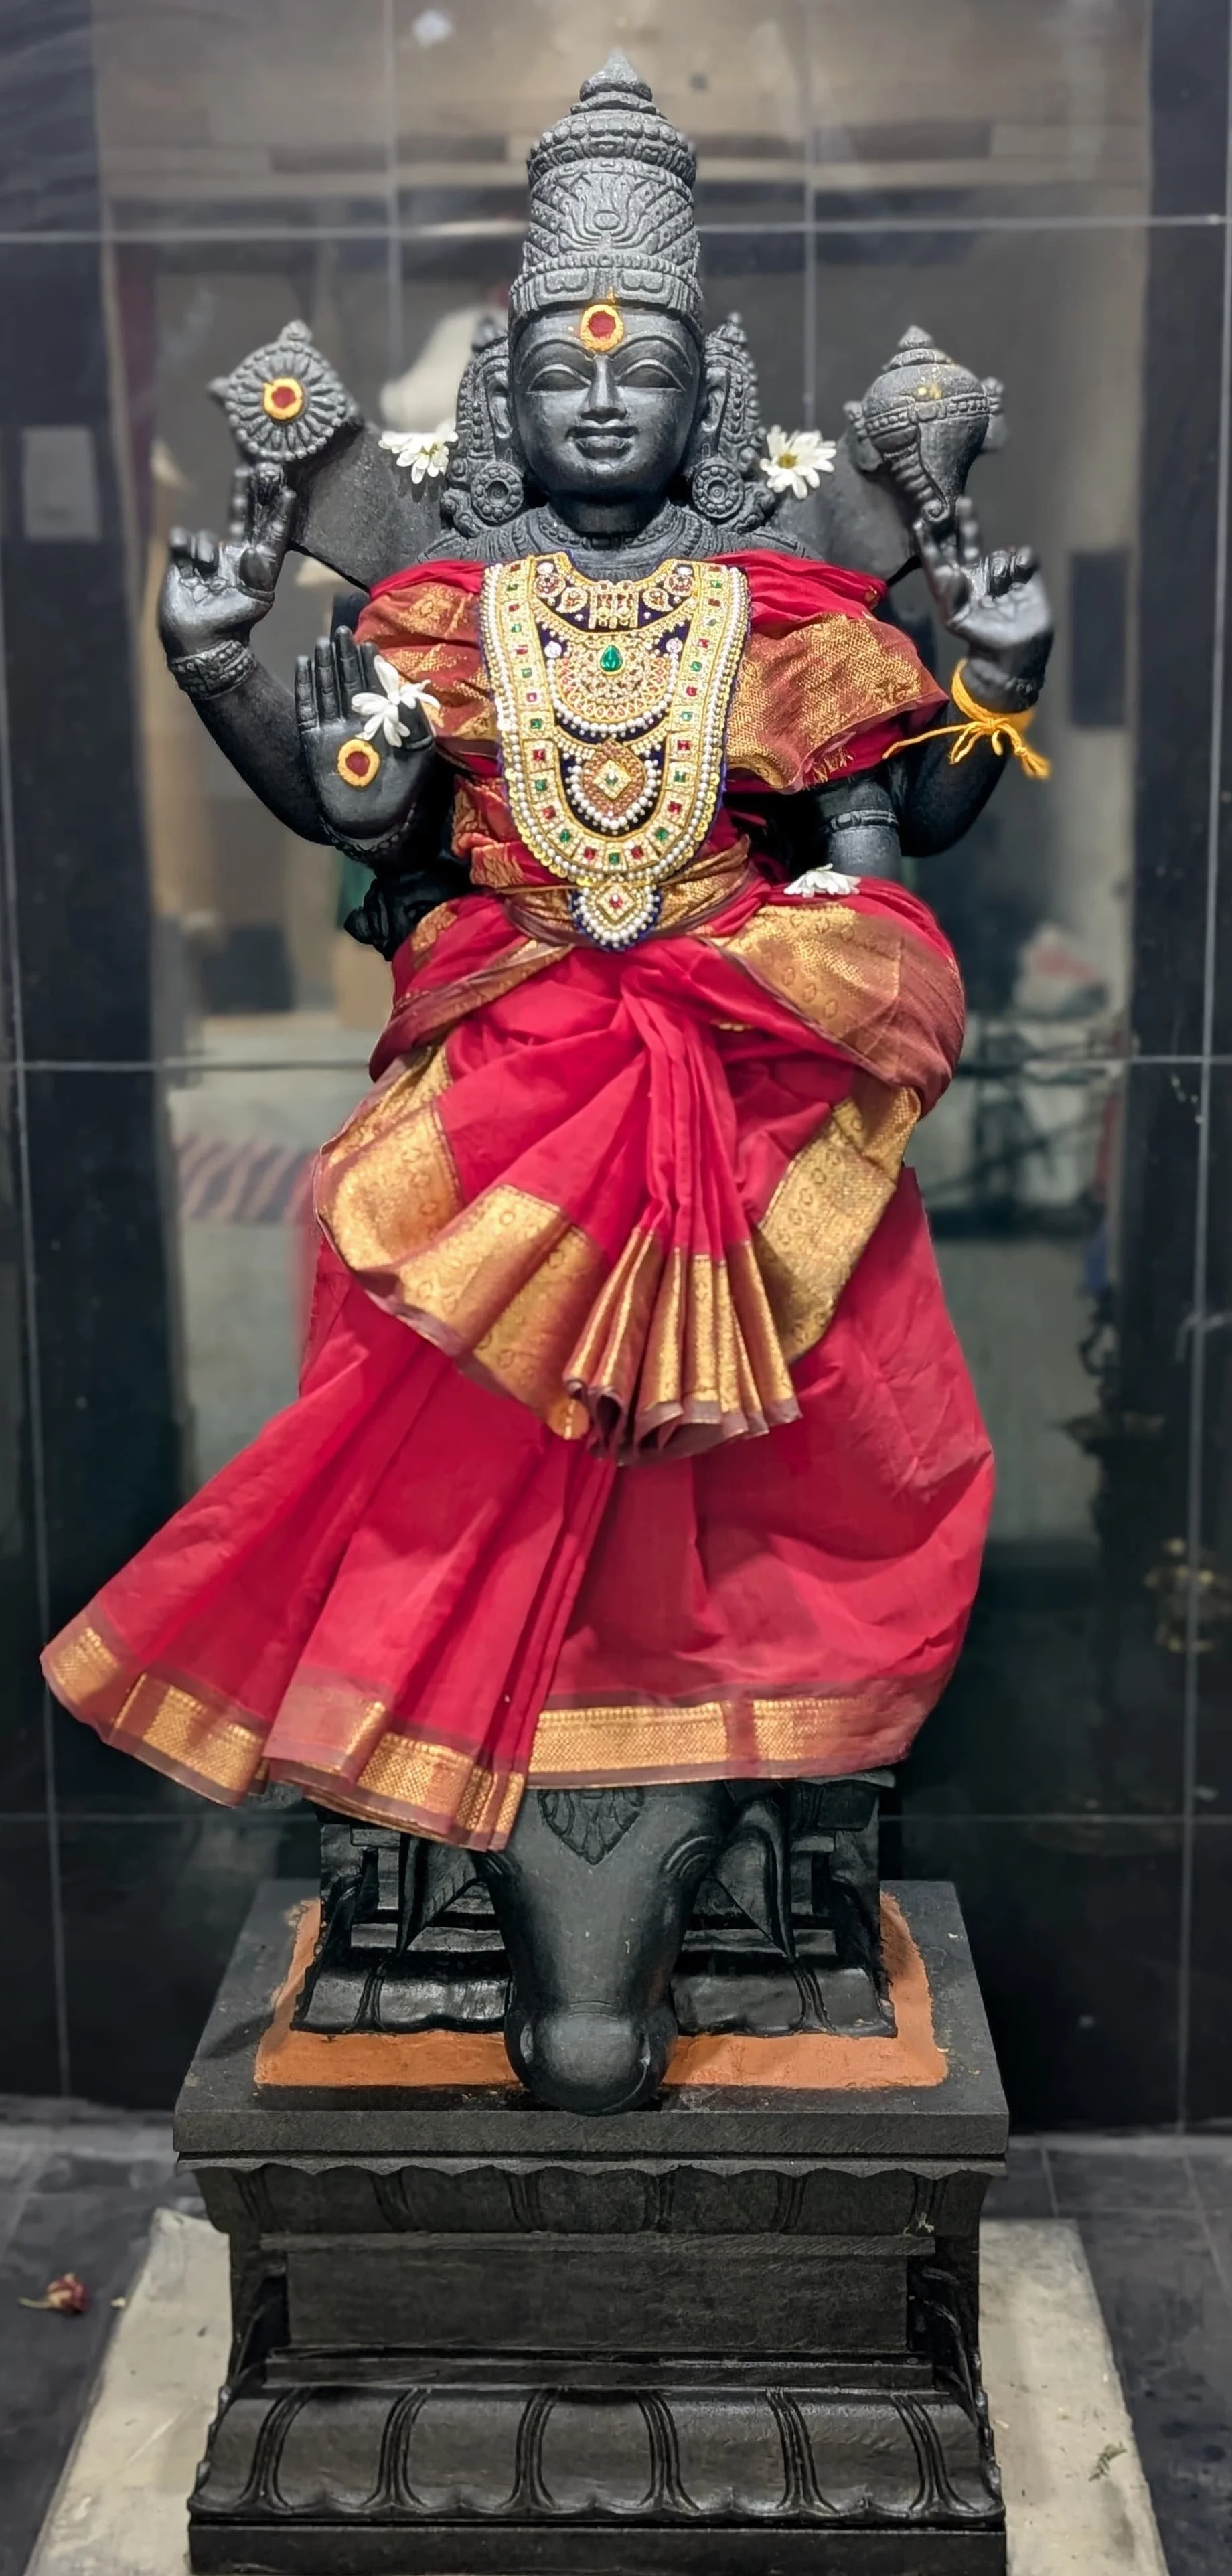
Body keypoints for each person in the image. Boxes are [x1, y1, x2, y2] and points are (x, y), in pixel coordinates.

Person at [43, 58, 1051, 1852]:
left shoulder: (786, 613)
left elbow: (896, 829)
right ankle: (471, 1710)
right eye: (561, 371)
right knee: (459, 1406)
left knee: (800, 1419)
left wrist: (1000, 686)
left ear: (706, 398)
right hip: (508, 1066)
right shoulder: (444, 611)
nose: (597, 399)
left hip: (742, 1062)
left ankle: (725, 1726)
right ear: (501, 398)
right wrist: (218, 671)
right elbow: (364, 822)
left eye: (640, 370)